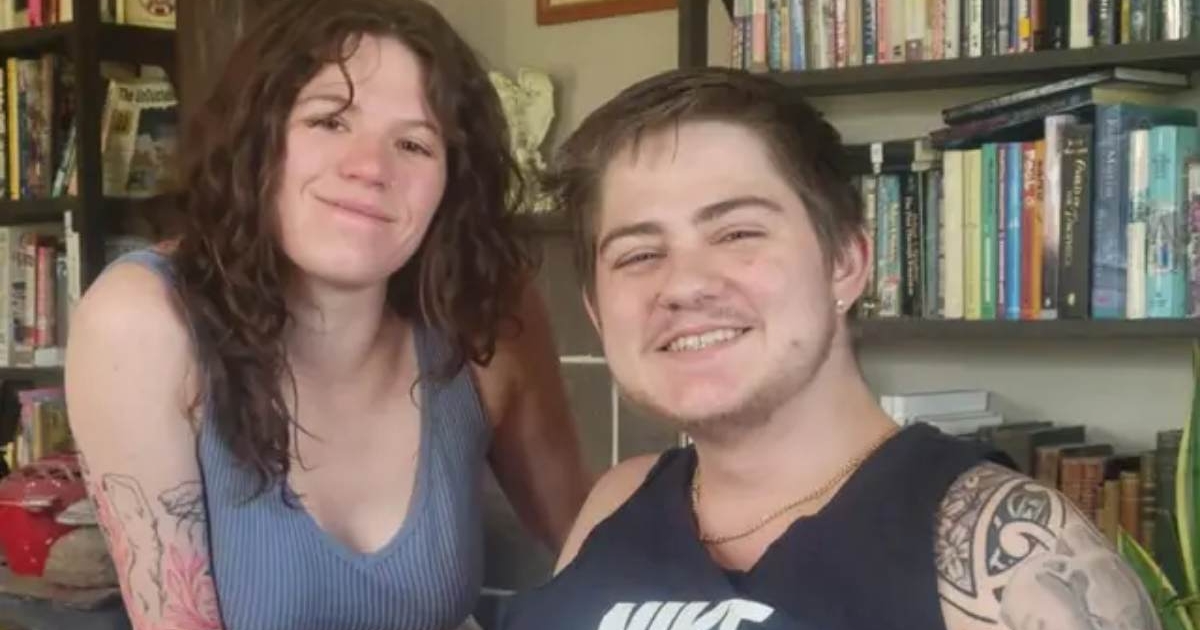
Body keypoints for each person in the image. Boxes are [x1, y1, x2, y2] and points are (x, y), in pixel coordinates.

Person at [497, 66, 1162, 630]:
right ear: (596, 310)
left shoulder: (1008, 552)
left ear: (846, 261)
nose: (684, 285)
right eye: (639, 254)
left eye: (737, 233)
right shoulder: (617, 500)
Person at [64, 1, 592, 629]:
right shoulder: (141, 322)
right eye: (330, 120)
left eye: (414, 143)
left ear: (452, 184)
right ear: (257, 139)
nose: (370, 168)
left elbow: (597, 548)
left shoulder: (483, 313)